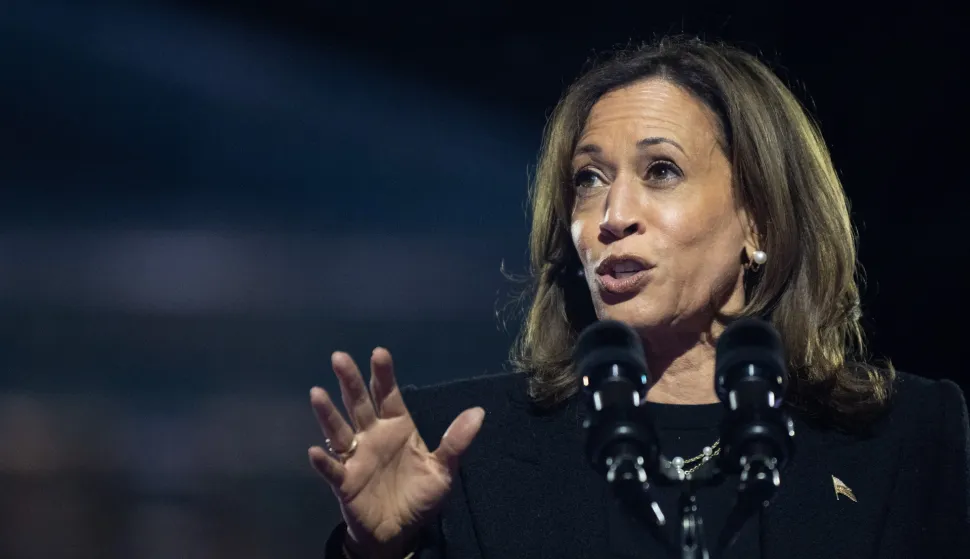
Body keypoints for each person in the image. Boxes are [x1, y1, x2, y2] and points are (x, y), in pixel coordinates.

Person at [307, 36, 970, 558]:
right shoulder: (457, 451)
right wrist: (379, 552)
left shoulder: (909, 438)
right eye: (589, 179)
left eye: (661, 171)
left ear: (759, 221)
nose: (612, 214)